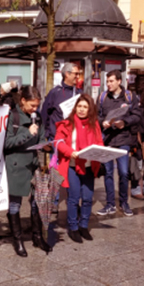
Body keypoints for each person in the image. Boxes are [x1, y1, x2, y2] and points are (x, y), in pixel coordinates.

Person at [3, 85, 51, 256]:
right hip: (16, 165)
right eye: (32, 105)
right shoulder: (12, 116)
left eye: (37, 105)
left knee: (37, 201)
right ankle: (18, 241)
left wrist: (47, 146)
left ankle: (37, 237)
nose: (35, 109)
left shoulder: (37, 117)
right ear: (23, 100)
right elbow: (6, 143)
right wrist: (27, 134)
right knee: (15, 204)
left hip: (33, 164)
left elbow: (42, 136)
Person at [54, 94, 103, 243]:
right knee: (73, 198)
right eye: (79, 106)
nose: (81, 109)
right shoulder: (67, 123)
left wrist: (99, 152)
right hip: (72, 166)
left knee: (87, 198)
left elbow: (99, 142)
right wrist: (70, 152)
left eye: (85, 107)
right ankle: (73, 227)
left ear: (90, 109)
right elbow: (58, 142)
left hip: (88, 166)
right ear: (75, 107)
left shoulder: (94, 124)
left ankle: (83, 226)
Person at [97, 70, 140, 217]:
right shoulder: (103, 97)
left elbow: (137, 115)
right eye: (107, 81)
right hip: (108, 139)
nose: (108, 84)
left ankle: (124, 202)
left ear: (119, 81)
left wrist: (125, 122)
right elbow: (96, 115)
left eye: (111, 81)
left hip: (123, 139)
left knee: (123, 172)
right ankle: (110, 204)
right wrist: (102, 122)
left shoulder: (129, 96)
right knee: (108, 172)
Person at [41, 63, 82, 141]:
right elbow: (45, 114)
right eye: (76, 74)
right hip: (56, 138)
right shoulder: (55, 92)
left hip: (74, 138)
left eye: (78, 74)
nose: (78, 76)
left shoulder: (79, 93)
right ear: (67, 74)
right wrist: (46, 133)